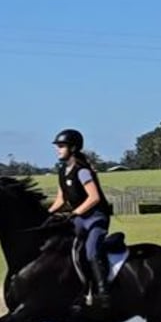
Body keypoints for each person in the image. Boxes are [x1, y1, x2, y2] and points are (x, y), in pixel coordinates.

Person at [48, 128, 112, 308]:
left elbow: (94, 198)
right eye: (57, 146)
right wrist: (47, 215)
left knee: (91, 250)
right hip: (79, 219)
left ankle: (102, 292)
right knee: (62, 247)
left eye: (61, 146)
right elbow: (61, 200)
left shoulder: (82, 171)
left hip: (96, 218)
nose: (58, 149)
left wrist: (74, 213)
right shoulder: (62, 170)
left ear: (73, 148)